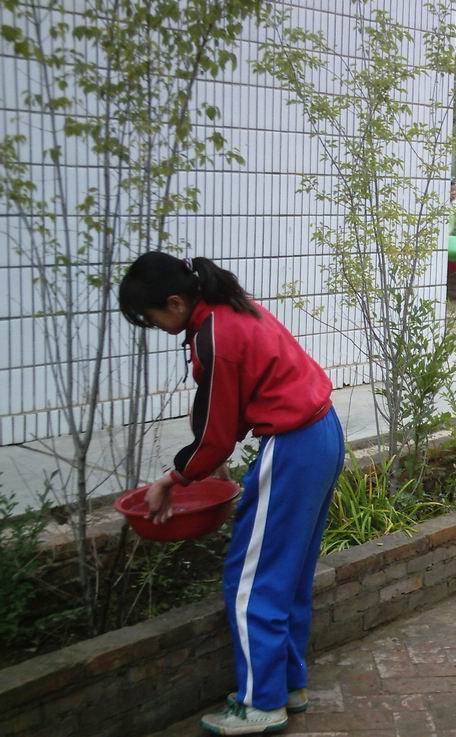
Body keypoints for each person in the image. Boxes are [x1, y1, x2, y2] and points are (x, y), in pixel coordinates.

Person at [119, 252, 345, 736]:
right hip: (323, 432)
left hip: (292, 446)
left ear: (175, 302)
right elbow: (234, 401)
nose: (154, 326)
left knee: (250, 582)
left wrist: (172, 479)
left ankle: (260, 704)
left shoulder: (215, 334)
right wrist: (212, 450)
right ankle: (287, 686)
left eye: (151, 317)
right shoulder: (233, 308)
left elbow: (215, 436)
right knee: (288, 574)